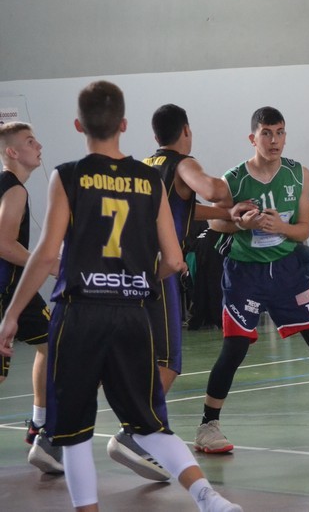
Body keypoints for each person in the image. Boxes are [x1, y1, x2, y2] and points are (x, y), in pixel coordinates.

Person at [0, 81, 241, 512]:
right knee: (151, 424)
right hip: (133, 312)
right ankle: (209, 497)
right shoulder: (149, 179)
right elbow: (173, 259)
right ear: (124, 125)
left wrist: (12, 312)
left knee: (75, 434)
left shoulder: (67, 176)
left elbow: (45, 255)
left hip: (80, 313)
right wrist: (140, 281)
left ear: (78, 125)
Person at [194, 106, 309, 456]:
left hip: (287, 271)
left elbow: (303, 230)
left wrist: (281, 228)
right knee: (235, 349)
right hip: (245, 273)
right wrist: (241, 224)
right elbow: (214, 223)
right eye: (267, 133)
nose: (274, 140)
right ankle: (207, 425)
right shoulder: (234, 179)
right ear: (253, 138)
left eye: (280, 132)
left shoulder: (298, 174)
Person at [105, 104, 235, 482]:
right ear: (186, 131)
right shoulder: (182, 163)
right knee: (168, 360)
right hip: (159, 268)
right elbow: (212, 189)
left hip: (128, 268)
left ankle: (146, 432)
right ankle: (134, 432)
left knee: (145, 358)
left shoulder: (145, 165)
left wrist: (225, 215)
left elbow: (183, 209)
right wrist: (240, 189)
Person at [0, 122, 60, 473]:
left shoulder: (12, 187)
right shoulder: (14, 190)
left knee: (51, 344)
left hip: (16, 290)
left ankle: (39, 422)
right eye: (29, 141)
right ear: (12, 152)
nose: (38, 146)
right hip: (5, 290)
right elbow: (4, 245)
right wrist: (47, 263)